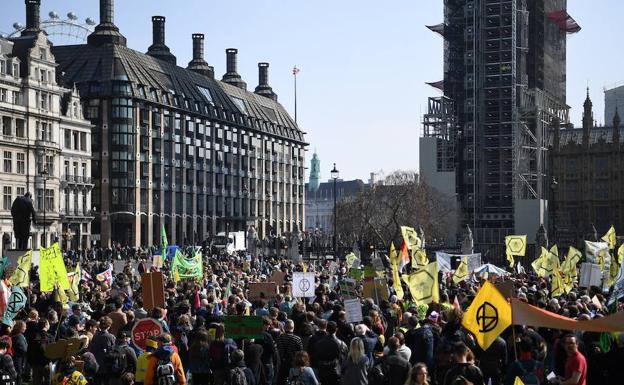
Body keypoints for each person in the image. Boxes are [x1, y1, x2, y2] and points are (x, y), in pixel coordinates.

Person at [276, 320, 303, 385]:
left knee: (281, 381)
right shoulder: (297, 339)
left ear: (284, 327)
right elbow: (301, 353)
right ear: (293, 328)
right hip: (293, 364)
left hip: (282, 363)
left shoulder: (279, 338)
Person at [10, 321, 27, 385]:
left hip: (14, 357)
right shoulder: (19, 336)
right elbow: (23, 349)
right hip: (18, 358)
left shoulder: (13, 334)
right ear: (20, 327)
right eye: (24, 327)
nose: (25, 328)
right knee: (18, 375)